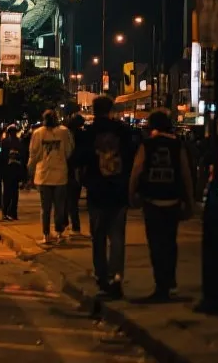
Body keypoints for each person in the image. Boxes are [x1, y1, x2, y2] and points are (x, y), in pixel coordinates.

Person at [129, 109, 195, 301]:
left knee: (156, 244)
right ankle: (170, 282)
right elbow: (185, 174)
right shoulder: (177, 145)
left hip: (152, 199)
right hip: (172, 199)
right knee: (170, 242)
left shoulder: (147, 145)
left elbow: (137, 170)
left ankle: (161, 285)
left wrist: (131, 193)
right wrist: (190, 201)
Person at [76, 96, 135, 299]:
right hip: (118, 189)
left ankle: (102, 277)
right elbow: (132, 156)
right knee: (117, 236)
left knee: (99, 236)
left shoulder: (89, 132)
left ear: (94, 110)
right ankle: (116, 276)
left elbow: (78, 158)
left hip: (97, 189)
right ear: (110, 109)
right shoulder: (123, 131)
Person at [27, 109, 74, 245]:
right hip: (60, 174)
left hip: (43, 175)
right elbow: (69, 150)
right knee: (59, 207)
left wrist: (30, 170)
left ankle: (46, 235)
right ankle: (59, 233)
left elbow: (33, 154)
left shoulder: (38, 133)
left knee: (45, 208)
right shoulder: (64, 132)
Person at [64, 114, 86, 237]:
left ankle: (66, 223)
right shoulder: (81, 135)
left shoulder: (67, 134)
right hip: (76, 169)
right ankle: (74, 225)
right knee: (73, 200)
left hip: (68, 168)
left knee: (67, 199)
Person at [0, 125, 25, 221]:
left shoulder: (6, 142)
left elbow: (2, 157)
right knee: (13, 193)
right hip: (13, 170)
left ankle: (8, 212)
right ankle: (11, 213)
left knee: (10, 193)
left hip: (10, 170)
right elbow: (23, 157)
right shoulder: (17, 142)